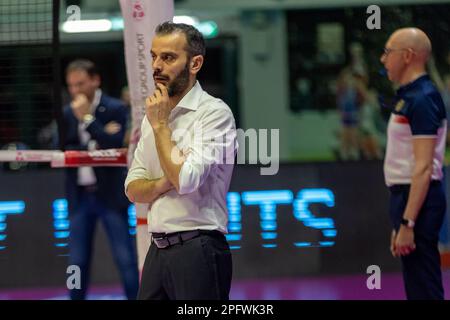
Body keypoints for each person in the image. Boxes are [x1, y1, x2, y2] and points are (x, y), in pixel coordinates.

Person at [125, 22, 237, 300]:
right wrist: (167, 181)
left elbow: (186, 181)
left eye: (168, 57)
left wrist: (162, 126)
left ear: (195, 63)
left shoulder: (214, 113)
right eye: (153, 56)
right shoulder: (154, 115)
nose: (156, 66)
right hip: (158, 250)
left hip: (198, 248)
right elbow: (132, 188)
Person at [62, 59, 139, 300]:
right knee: (77, 261)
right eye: (71, 85)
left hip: (110, 195)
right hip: (80, 197)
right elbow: (61, 147)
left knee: (125, 257)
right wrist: (96, 139)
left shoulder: (115, 107)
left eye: (80, 84)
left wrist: (87, 119)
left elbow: (113, 144)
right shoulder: (66, 113)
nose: (75, 90)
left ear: (95, 80)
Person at [381, 28, 447, 299]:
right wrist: (401, 221)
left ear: (407, 56)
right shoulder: (409, 96)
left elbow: (422, 167)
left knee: (425, 285)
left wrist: (408, 223)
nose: (383, 60)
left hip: (418, 200)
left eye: (388, 52)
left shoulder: (423, 98)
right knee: (415, 283)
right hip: (406, 198)